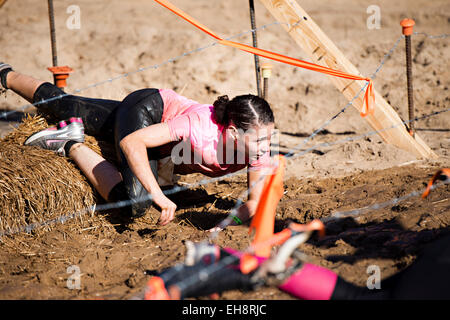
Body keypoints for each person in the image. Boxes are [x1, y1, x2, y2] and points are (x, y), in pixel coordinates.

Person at [0, 62, 275, 227]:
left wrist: (224, 227)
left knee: (68, 105)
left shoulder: (257, 151)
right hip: (147, 109)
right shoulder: (199, 128)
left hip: (159, 142)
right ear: (233, 133)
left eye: (270, 138)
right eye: (261, 139)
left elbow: (255, 203)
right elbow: (133, 142)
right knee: (136, 205)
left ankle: (6, 75)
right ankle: (69, 142)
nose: (267, 146)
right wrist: (156, 193)